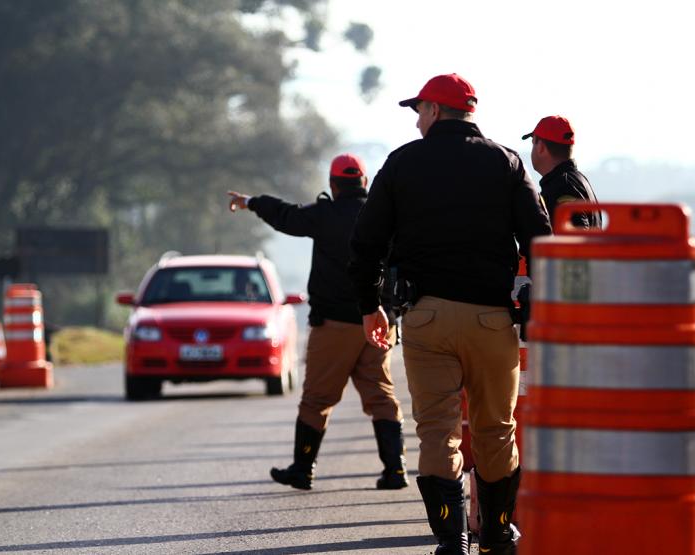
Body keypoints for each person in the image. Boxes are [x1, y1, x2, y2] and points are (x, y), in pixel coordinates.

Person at [348, 73, 552, 554]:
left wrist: (369, 307)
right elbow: (541, 238)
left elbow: (366, 244)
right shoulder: (506, 161)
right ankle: (499, 533)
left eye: (419, 110)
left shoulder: (401, 163)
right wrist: (535, 303)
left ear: (436, 111)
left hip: (427, 318)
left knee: (438, 431)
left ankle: (452, 540)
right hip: (492, 320)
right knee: (496, 429)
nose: (417, 121)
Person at [227, 154, 408, 491]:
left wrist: (252, 202)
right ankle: (395, 470)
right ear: (365, 183)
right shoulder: (385, 215)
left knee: (317, 400)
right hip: (381, 323)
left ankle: (302, 469)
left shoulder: (325, 215)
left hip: (335, 325)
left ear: (333, 184)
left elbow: (287, 216)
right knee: (381, 397)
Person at [523, 115, 600, 229]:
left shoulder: (561, 186)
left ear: (541, 147)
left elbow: (575, 238)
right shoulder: (578, 180)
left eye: (533, 143)